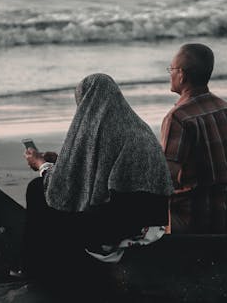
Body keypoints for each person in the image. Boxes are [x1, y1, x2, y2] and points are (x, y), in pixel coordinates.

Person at [23, 73, 172, 298]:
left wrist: (42, 164)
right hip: (153, 226)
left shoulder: (92, 132)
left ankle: (37, 270)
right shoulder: (138, 128)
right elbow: (100, 172)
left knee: (37, 190)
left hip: (114, 232)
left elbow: (61, 188)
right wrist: (61, 161)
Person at [161, 43, 227, 234]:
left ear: (182, 75)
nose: (170, 73)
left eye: (172, 69)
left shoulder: (179, 117)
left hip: (198, 219)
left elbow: (164, 179)